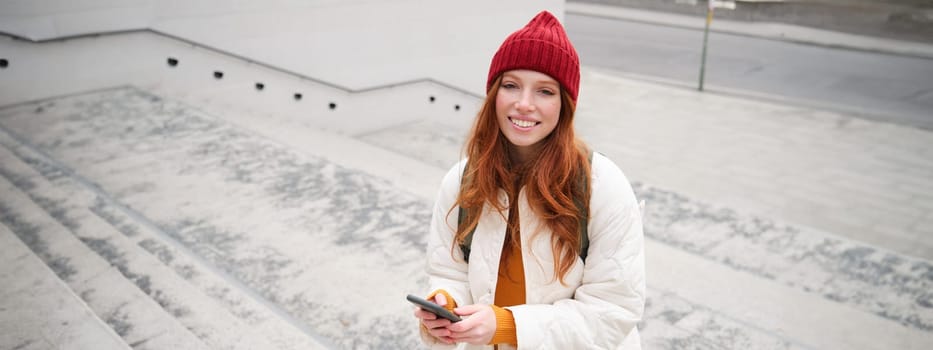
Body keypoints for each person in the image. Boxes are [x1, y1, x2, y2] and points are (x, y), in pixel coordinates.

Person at [413, 10, 646, 349]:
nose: (524, 104)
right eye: (511, 86)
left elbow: (613, 311)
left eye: (545, 91)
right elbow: (449, 272)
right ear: (494, 94)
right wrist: (445, 304)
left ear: (564, 104)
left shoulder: (602, 186)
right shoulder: (463, 179)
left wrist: (507, 326)